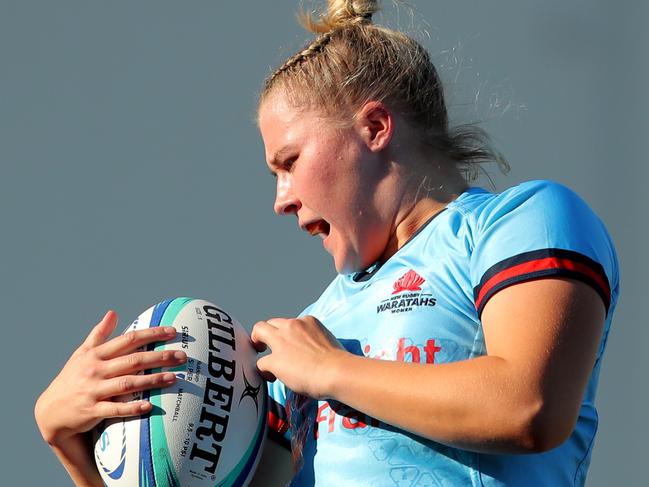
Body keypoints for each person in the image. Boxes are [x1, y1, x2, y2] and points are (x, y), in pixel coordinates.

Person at [35, 0, 619, 486]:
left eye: (288, 162)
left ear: (373, 128)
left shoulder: (521, 220)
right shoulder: (312, 331)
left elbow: (530, 407)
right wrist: (72, 447)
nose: (281, 199)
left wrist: (333, 370)